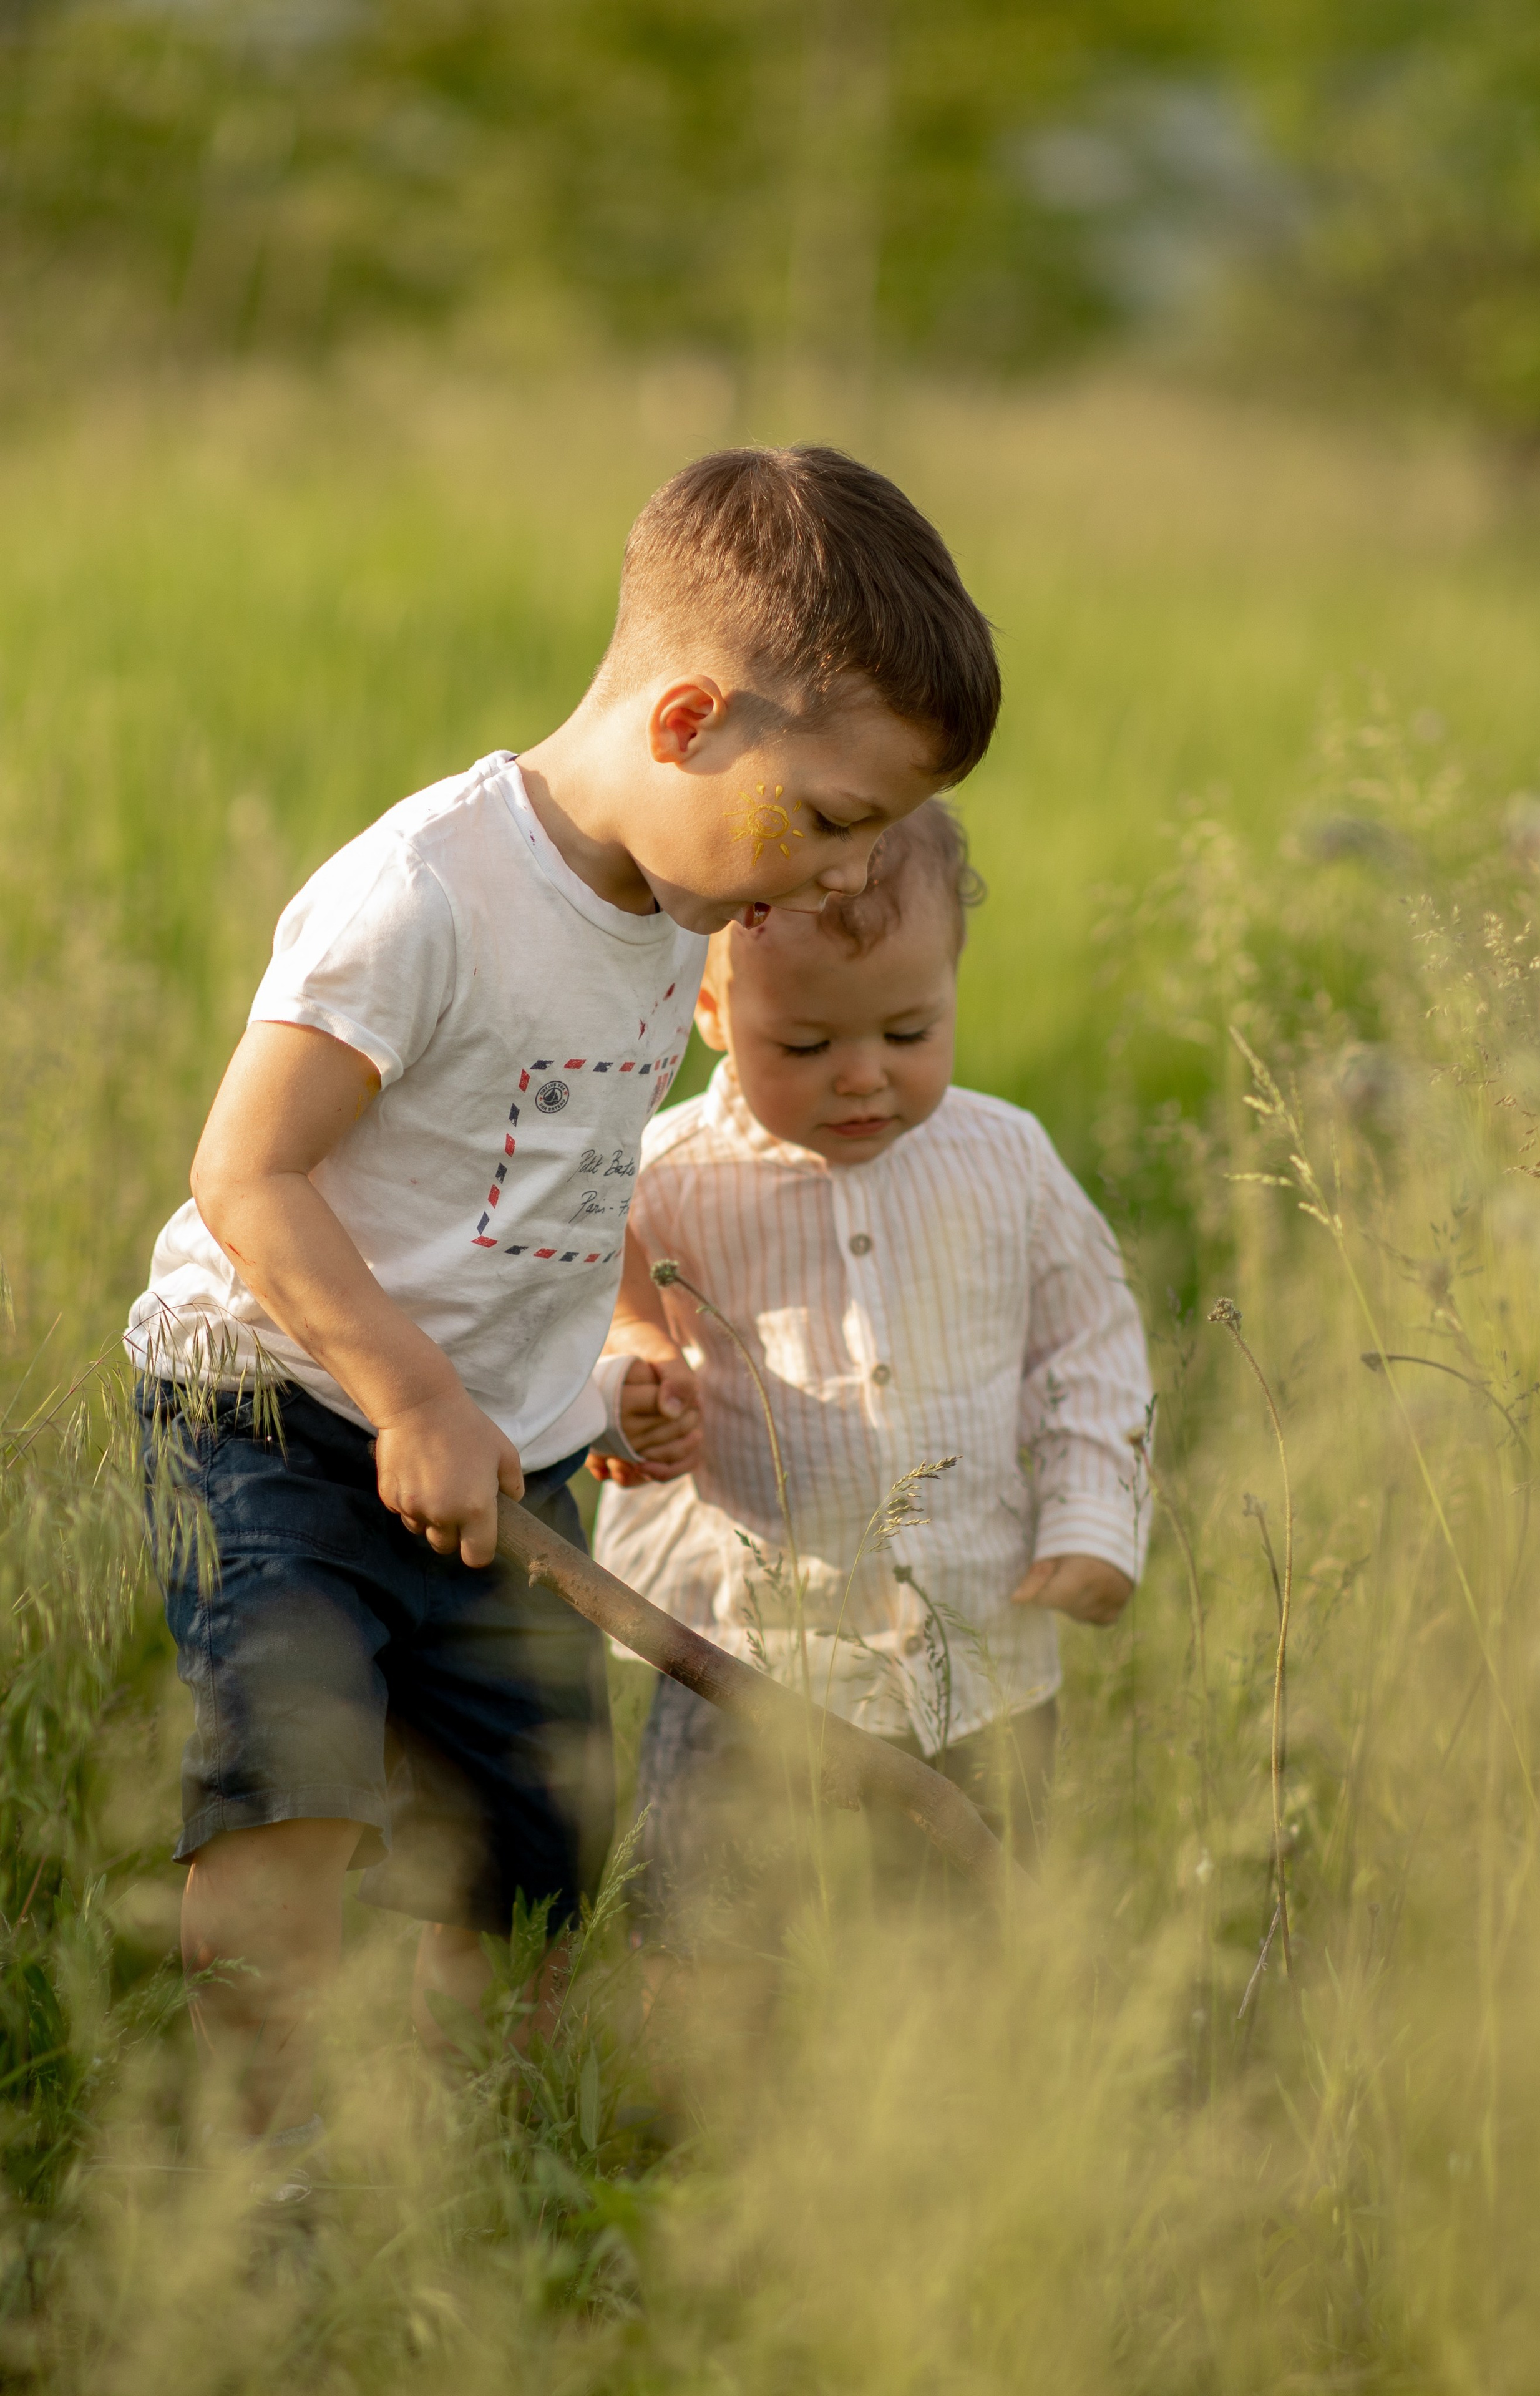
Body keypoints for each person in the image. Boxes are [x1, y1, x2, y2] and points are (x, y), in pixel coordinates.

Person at [125, 444, 1001, 2164]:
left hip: (498, 1461)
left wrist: (624, 1338)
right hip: (282, 1415)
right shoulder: (425, 897)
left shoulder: (678, 902)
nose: (837, 881)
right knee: (287, 1775)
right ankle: (252, 2162)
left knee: (531, 1848)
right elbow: (250, 1176)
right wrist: (411, 1395)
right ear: (686, 724)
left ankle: (473, 2156)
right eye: (832, 822)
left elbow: (560, 1162)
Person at [591, 802, 1152, 1962]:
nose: (863, 1079)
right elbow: (591, 1310)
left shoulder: (1008, 1163)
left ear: (953, 985)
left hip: (975, 1654)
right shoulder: (668, 1178)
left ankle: (957, 2107)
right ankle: (699, 2113)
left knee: (972, 1933)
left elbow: (1092, 1342)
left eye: (908, 1033)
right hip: (742, 1658)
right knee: (714, 1929)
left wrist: (1097, 1515)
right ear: (709, 1011)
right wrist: (630, 1390)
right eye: (805, 1047)